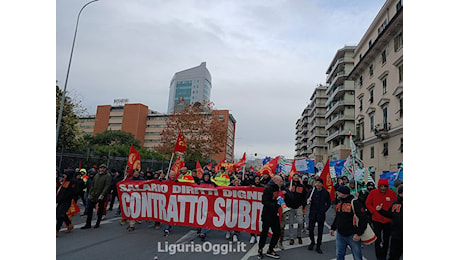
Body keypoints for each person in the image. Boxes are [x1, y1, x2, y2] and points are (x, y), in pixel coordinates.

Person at [330, 186, 369, 260]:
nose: (337, 193)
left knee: (357, 256)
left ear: (344, 193)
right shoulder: (340, 202)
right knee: (339, 255)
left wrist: (358, 233)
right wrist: (333, 228)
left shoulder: (355, 203)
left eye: (338, 192)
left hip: (352, 234)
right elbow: (338, 216)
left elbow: (363, 218)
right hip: (340, 234)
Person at [366, 178, 397, 260]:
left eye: (385, 186)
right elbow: (368, 203)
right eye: (381, 186)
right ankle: (379, 256)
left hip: (388, 221)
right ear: (379, 186)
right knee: (377, 238)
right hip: (376, 220)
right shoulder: (373, 193)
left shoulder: (392, 194)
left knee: (386, 239)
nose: (383, 188)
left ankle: (384, 254)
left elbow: (395, 205)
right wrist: (373, 212)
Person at [258, 175, 284, 259]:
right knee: (264, 232)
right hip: (267, 214)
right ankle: (260, 249)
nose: (282, 183)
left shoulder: (277, 188)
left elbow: (276, 198)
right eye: (280, 181)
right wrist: (275, 205)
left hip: (274, 214)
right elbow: (264, 201)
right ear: (276, 181)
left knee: (277, 232)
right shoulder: (268, 188)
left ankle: (270, 249)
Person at [81, 164, 112, 229]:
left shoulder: (108, 176)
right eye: (101, 168)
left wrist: (102, 194)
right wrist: (90, 193)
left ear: (105, 169)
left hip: (101, 196)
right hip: (93, 195)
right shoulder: (97, 175)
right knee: (90, 210)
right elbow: (92, 184)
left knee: (100, 210)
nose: (102, 169)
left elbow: (107, 186)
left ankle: (97, 223)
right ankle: (88, 224)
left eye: (103, 168)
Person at [376, 185, 403, 260]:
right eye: (402, 193)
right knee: (393, 256)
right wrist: (380, 210)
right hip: (396, 235)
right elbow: (389, 215)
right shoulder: (395, 203)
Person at [306, 178, 331, 254]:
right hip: (313, 213)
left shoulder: (325, 192)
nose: (317, 184)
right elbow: (306, 199)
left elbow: (328, 203)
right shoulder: (312, 191)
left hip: (321, 214)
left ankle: (318, 246)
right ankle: (312, 242)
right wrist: (308, 201)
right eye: (316, 182)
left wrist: (324, 210)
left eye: (319, 183)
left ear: (322, 184)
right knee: (310, 229)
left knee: (320, 231)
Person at [283, 173, 308, 246]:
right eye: (295, 176)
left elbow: (305, 197)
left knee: (300, 222)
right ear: (292, 177)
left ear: (299, 178)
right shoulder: (288, 185)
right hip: (290, 206)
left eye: (297, 177)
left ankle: (299, 235)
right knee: (290, 223)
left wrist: (302, 205)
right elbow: (284, 194)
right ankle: (291, 237)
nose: (296, 178)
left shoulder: (302, 186)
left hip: (298, 207)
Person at [56, 169, 77, 236]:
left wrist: (62, 198)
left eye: (65, 174)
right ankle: (69, 224)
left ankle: (57, 229)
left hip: (66, 201)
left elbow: (70, 193)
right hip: (60, 200)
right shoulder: (64, 181)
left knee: (60, 215)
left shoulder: (72, 182)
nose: (64, 175)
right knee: (60, 213)